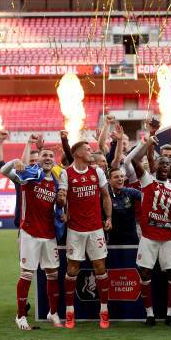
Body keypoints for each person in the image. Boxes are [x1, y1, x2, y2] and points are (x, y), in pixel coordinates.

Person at [0, 148, 63, 330]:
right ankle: (20, 316)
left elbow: (57, 208)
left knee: (53, 275)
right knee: (27, 275)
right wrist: (14, 161)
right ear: (39, 159)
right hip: (29, 233)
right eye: (45, 156)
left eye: (51, 156)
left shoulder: (56, 183)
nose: (48, 158)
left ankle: (52, 312)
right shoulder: (29, 175)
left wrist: (62, 212)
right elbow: (4, 171)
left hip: (49, 234)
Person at [131, 137, 171, 326]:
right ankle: (149, 315)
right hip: (148, 238)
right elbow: (133, 160)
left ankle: (170, 315)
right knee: (145, 274)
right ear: (155, 165)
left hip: (168, 238)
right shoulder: (147, 181)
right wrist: (146, 143)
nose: (165, 166)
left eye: (169, 164)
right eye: (162, 163)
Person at [58, 141, 113, 329]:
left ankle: (104, 311)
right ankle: (69, 312)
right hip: (75, 230)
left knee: (100, 267)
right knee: (72, 269)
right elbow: (63, 197)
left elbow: (106, 195)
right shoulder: (66, 173)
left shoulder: (96, 171)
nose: (91, 152)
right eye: (88, 149)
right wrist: (62, 205)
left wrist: (109, 217)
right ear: (78, 153)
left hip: (96, 228)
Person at [107, 168, 141, 245]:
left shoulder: (131, 192)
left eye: (121, 176)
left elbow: (147, 198)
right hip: (114, 240)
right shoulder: (106, 197)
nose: (120, 179)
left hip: (132, 238)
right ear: (109, 181)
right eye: (116, 177)